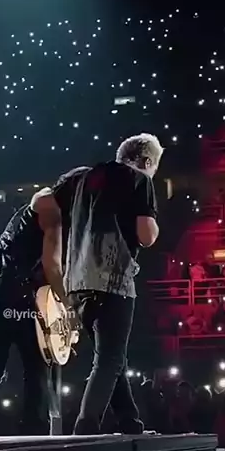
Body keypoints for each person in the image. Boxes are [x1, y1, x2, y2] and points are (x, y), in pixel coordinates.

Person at [33, 133, 162, 435]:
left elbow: (39, 202)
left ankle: (130, 421)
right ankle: (85, 427)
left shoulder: (82, 177)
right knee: (109, 360)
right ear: (146, 161)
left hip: (76, 282)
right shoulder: (139, 179)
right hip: (112, 279)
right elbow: (146, 236)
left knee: (113, 357)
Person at [0, 168, 87, 436]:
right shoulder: (51, 207)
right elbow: (52, 266)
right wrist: (70, 307)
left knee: (5, 362)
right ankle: (29, 430)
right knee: (27, 363)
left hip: (4, 286)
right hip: (11, 289)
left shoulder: (52, 204)